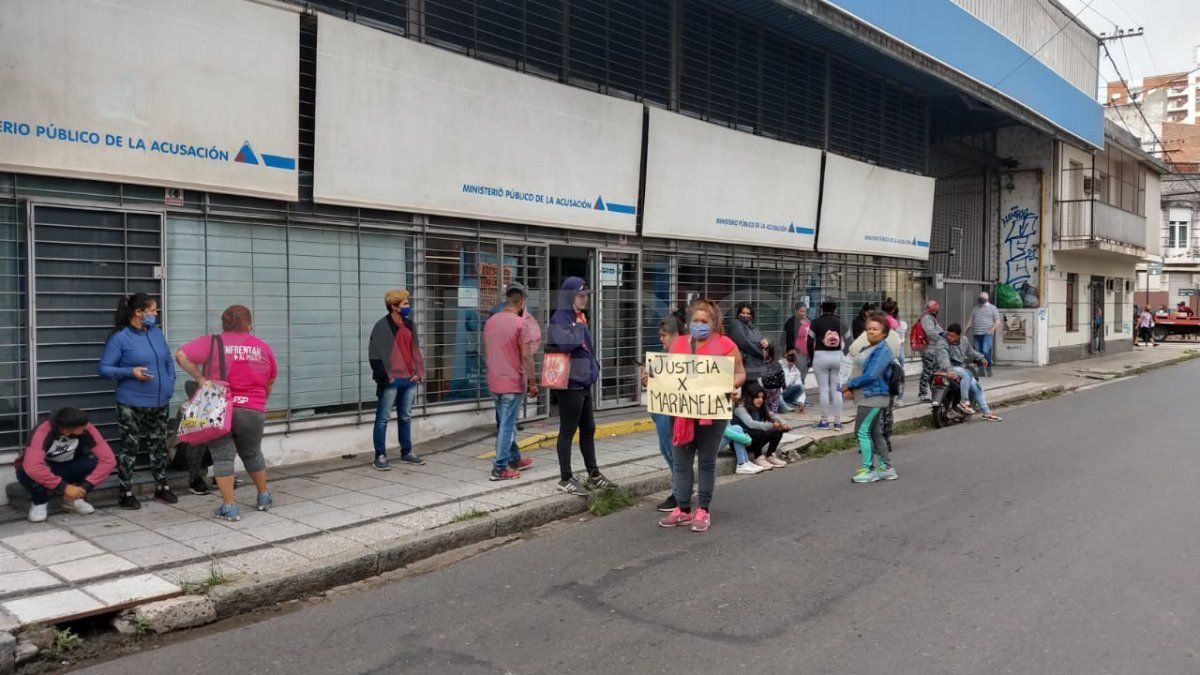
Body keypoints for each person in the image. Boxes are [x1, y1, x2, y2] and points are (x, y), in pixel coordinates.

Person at [175, 305, 277, 522]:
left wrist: (201, 379)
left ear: (223, 323)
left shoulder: (212, 342)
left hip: (219, 408)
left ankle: (229, 507)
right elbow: (270, 381)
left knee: (222, 457)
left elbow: (181, 355)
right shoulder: (261, 347)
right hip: (252, 408)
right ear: (249, 323)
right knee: (252, 453)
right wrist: (260, 401)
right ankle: (263, 497)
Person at [659, 299, 745, 533]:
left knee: (706, 462)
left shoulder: (726, 344)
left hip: (712, 413)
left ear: (714, 323)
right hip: (681, 413)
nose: (699, 325)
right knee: (681, 462)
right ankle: (683, 509)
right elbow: (666, 372)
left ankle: (703, 509)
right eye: (695, 320)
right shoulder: (677, 344)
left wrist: (731, 385)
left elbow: (740, 373)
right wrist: (651, 378)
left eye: (704, 321)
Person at [98, 293, 178, 509]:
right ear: (138, 313)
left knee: (159, 445)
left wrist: (170, 383)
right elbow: (104, 369)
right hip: (131, 403)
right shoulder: (120, 337)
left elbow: (167, 361)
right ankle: (125, 491)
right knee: (129, 448)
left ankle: (162, 487)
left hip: (160, 401)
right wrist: (130, 372)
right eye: (152, 310)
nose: (155, 313)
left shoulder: (156, 333)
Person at [547, 277, 614, 496]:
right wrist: (578, 327)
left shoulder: (579, 317)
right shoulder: (561, 317)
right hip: (570, 383)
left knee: (589, 428)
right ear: (569, 296)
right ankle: (565, 478)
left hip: (583, 381)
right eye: (580, 295)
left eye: (586, 296)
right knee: (567, 430)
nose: (585, 299)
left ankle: (593, 474)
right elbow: (566, 343)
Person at [16, 407, 116, 523]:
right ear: (66, 431)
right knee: (26, 470)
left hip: (69, 465)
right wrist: (65, 487)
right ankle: (39, 502)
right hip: (46, 468)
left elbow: (108, 460)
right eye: (82, 429)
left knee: (94, 462)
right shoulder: (43, 430)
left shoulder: (85, 426)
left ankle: (74, 499)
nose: (86, 428)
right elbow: (32, 467)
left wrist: (83, 488)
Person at [483, 283, 538, 482]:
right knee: (507, 425)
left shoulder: (490, 322)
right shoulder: (520, 324)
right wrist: (532, 382)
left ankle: (514, 458)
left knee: (507, 422)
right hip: (512, 382)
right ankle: (499, 467)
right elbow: (526, 357)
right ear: (522, 303)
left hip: (494, 380)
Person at [367, 289, 426, 471]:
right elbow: (374, 356)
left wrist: (418, 373)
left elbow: (415, 349)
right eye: (405, 304)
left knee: (406, 417)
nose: (409, 307)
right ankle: (380, 456)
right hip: (391, 381)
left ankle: (406, 452)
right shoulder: (381, 327)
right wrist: (386, 379)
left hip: (409, 379)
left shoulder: (410, 325)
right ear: (394, 306)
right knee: (383, 418)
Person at [841, 313, 897, 484]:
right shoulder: (870, 347)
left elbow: (871, 375)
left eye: (875, 329)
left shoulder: (883, 350)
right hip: (868, 395)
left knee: (861, 432)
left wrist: (850, 384)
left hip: (873, 396)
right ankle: (885, 468)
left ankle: (869, 469)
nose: (871, 332)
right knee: (874, 432)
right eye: (868, 329)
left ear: (884, 333)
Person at [644, 318, 681, 511]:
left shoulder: (683, 358)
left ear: (675, 335)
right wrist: (648, 380)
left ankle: (678, 492)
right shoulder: (664, 358)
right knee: (666, 451)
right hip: (661, 412)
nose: (661, 339)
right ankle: (682, 489)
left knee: (672, 453)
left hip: (670, 413)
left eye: (663, 335)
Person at [928, 324, 1001, 422]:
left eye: (952, 336)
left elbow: (970, 352)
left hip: (959, 368)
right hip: (945, 368)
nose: (949, 337)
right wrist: (948, 370)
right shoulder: (942, 341)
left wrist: (981, 357)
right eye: (948, 335)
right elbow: (943, 358)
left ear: (959, 336)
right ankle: (964, 401)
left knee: (977, 387)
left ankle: (986, 412)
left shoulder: (964, 340)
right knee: (967, 374)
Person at [807, 300, 846, 431]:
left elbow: (809, 341)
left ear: (821, 310)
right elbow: (850, 340)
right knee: (837, 390)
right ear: (835, 310)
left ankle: (824, 422)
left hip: (820, 356)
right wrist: (843, 354)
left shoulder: (815, 322)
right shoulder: (841, 322)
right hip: (838, 356)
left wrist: (812, 358)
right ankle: (838, 422)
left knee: (824, 390)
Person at [734, 382, 789, 470]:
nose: (760, 400)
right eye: (757, 397)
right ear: (749, 397)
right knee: (759, 431)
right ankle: (758, 457)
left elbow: (773, 415)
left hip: (753, 440)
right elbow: (751, 424)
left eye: (762, 397)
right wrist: (772, 425)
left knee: (777, 430)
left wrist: (783, 424)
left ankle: (770, 455)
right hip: (740, 442)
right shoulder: (740, 408)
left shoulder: (760, 406)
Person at [729, 303, 769, 381]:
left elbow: (760, 339)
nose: (745, 315)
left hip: (757, 367)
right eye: (743, 313)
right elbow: (744, 343)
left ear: (751, 316)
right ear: (738, 314)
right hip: (745, 367)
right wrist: (761, 352)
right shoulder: (735, 324)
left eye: (748, 313)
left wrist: (766, 341)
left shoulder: (753, 327)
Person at [965, 292, 1000, 377]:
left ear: (986, 299)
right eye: (980, 297)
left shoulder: (992, 308)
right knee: (978, 352)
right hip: (977, 333)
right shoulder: (975, 308)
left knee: (985, 350)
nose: (980, 299)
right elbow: (971, 320)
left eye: (982, 298)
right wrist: (965, 331)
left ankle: (988, 368)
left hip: (986, 333)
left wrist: (991, 330)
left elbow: (998, 321)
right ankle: (981, 370)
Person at [916, 300, 945, 402]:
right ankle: (922, 394)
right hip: (928, 349)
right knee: (928, 371)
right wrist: (941, 339)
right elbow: (930, 332)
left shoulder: (930, 318)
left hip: (933, 349)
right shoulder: (927, 318)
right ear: (934, 310)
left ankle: (934, 392)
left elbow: (936, 331)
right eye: (937, 309)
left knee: (934, 372)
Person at [781, 302, 811, 396]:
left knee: (803, 375)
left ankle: (799, 397)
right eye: (800, 311)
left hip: (808, 352)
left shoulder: (809, 321)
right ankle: (799, 398)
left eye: (804, 311)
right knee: (798, 376)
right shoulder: (791, 322)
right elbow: (787, 339)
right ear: (796, 311)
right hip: (798, 353)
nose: (802, 313)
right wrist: (791, 352)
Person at [779, 348, 806, 412]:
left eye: (795, 355)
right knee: (783, 410)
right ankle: (784, 405)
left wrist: (801, 401)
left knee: (801, 386)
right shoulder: (779, 365)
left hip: (786, 393)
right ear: (786, 355)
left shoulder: (796, 371)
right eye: (791, 355)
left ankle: (790, 402)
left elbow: (800, 386)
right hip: (777, 393)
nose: (792, 357)